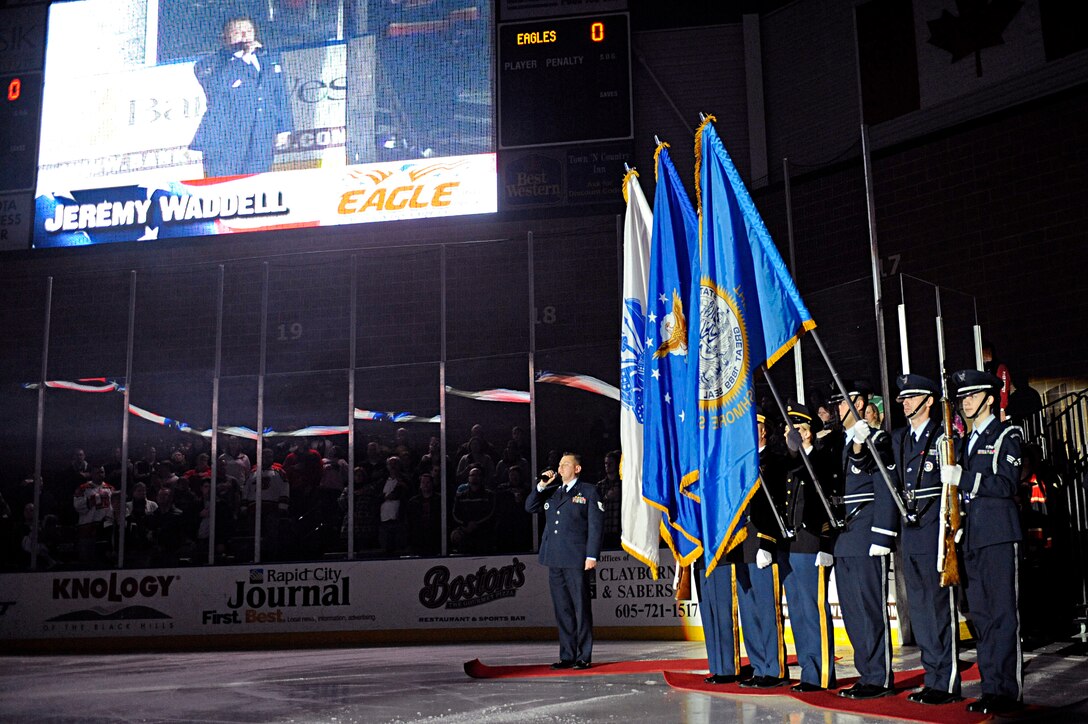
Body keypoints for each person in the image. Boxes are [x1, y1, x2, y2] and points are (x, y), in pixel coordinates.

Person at [942, 369, 1024, 715]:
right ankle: (991, 687)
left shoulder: (1006, 435)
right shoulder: (963, 442)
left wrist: (966, 479)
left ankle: (1007, 690)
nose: (966, 402)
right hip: (971, 537)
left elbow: (1007, 485)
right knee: (981, 616)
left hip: (998, 536)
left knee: (1003, 614)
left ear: (990, 398)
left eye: (972, 396)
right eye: (963, 397)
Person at [891, 374, 962, 706]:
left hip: (935, 529)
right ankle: (932, 676)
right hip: (911, 530)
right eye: (903, 398)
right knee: (919, 610)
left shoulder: (941, 436)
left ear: (928, 401)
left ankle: (945, 681)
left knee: (937, 609)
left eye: (912, 397)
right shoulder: (903, 438)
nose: (904, 402)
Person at [830, 380, 899, 700]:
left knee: (870, 609)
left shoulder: (877, 439)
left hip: (867, 533)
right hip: (843, 538)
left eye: (844, 403)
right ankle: (866, 671)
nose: (838, 408)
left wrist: (883, 533)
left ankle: (879, 676)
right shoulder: (837, 443)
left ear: (858, 404)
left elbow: (884, 484)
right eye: (838, 404)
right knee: (853, 611)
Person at [781, 402, 839, 692]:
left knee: (814, 610)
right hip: (791, 545)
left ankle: (822, 674)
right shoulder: (787, 462)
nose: (797, 434)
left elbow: (830, 501)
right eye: (792, 430)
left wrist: (826, 543)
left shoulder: (823, 459)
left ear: (811, 433)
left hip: (812, 542)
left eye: (802, 429)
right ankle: (808, 670)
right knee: (798, 612)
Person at [525, 452, 603, 669]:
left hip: (576, 558)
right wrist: (541, 485)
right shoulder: (552, 492)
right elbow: (530, 507)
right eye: (559, 465)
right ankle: (567, 655)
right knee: (562, 609)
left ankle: (583, 656)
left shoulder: (588, 491)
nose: (560, 469)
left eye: (565, 465)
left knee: (581, 607)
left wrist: (592, 555)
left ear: (577, 469)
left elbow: (596, 526)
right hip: (554, 557)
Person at [190, 16, 293, 178]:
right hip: (226, 139)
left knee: (256, 183)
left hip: (261, 134)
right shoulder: (209, 64)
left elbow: (279, 94)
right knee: (224, 185)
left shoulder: (268, 58)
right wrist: (242, 57)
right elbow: (218, 88)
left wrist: (283, 128)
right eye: (238, 32)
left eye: (249, 31)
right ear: (225, 37)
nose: (245, 36)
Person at [733, 411, 789, 689]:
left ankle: (775, 669)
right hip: (742, 543)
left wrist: (767, 542)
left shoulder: (775, 461)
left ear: (763, 430)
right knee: (749, 610)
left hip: (762, 542)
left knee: (767, 608)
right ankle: (758, 665)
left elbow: (775, 502)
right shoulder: (740, 462)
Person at [595, 450, 622, 549]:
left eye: (610, 463)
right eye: (606, 463)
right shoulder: (600, 485)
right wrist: (606, 497)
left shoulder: (622, 484)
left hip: (620, 529)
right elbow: (594, 506)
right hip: (605, 529)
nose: (607, 465)